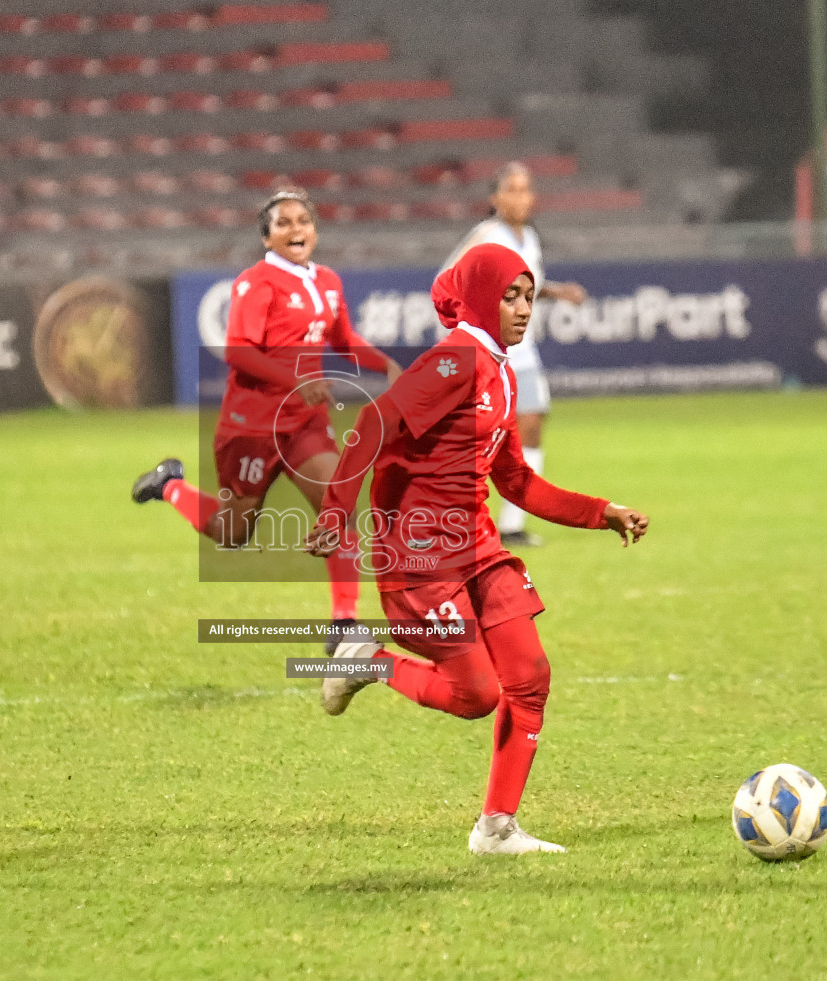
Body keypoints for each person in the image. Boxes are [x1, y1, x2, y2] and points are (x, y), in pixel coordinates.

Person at [305, 243, 648, 855]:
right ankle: (367, 662)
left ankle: (496, 828)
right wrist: (336, 512)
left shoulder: (502, 373)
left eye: (529, 298)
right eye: (510, 296)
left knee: (529, 674)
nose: (522, 309)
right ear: (483, 299)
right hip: (417, 554)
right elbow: (372, 425)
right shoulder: (456, 360)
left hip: (477, 546)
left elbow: (516, 482)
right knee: (476, 695)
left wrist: (602, 512)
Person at [132, 188, 402, 652]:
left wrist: (386, 366)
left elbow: (344, 338)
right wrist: (298, 377)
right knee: (233, 534)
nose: (296, 229)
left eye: (303, 220)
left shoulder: (328, 282)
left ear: (315, 229)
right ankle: (169, 486)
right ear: (267, 237)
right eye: (284, 223)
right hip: (251, 427)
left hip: (304, 423)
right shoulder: (257, 282)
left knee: (338, 507)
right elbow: (239, 350)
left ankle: (343, 626)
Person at [441, 162, 588, 548]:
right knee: (475, 434)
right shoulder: (487, 236)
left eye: (525, 189)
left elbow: (529, 284)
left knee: (533, 422)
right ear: (495, 198)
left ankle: (512, 523)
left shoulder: (529, 238)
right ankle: (447, 517)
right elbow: (447, 282)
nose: (519, 197)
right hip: (486, 352)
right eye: (511, 189)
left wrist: (556, 292)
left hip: (522, 350)